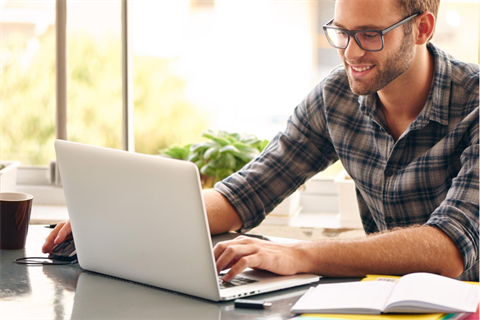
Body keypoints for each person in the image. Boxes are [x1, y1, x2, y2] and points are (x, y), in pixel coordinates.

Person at [43, 0, 479, 281]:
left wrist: (300, 253)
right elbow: (248, 192)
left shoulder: (474, 103)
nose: (349, 52)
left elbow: (448, 249)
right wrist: (119, 219)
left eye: (369, 35)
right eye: (341, 32)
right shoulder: (336, 97)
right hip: (387, 302)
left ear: (422, 28)